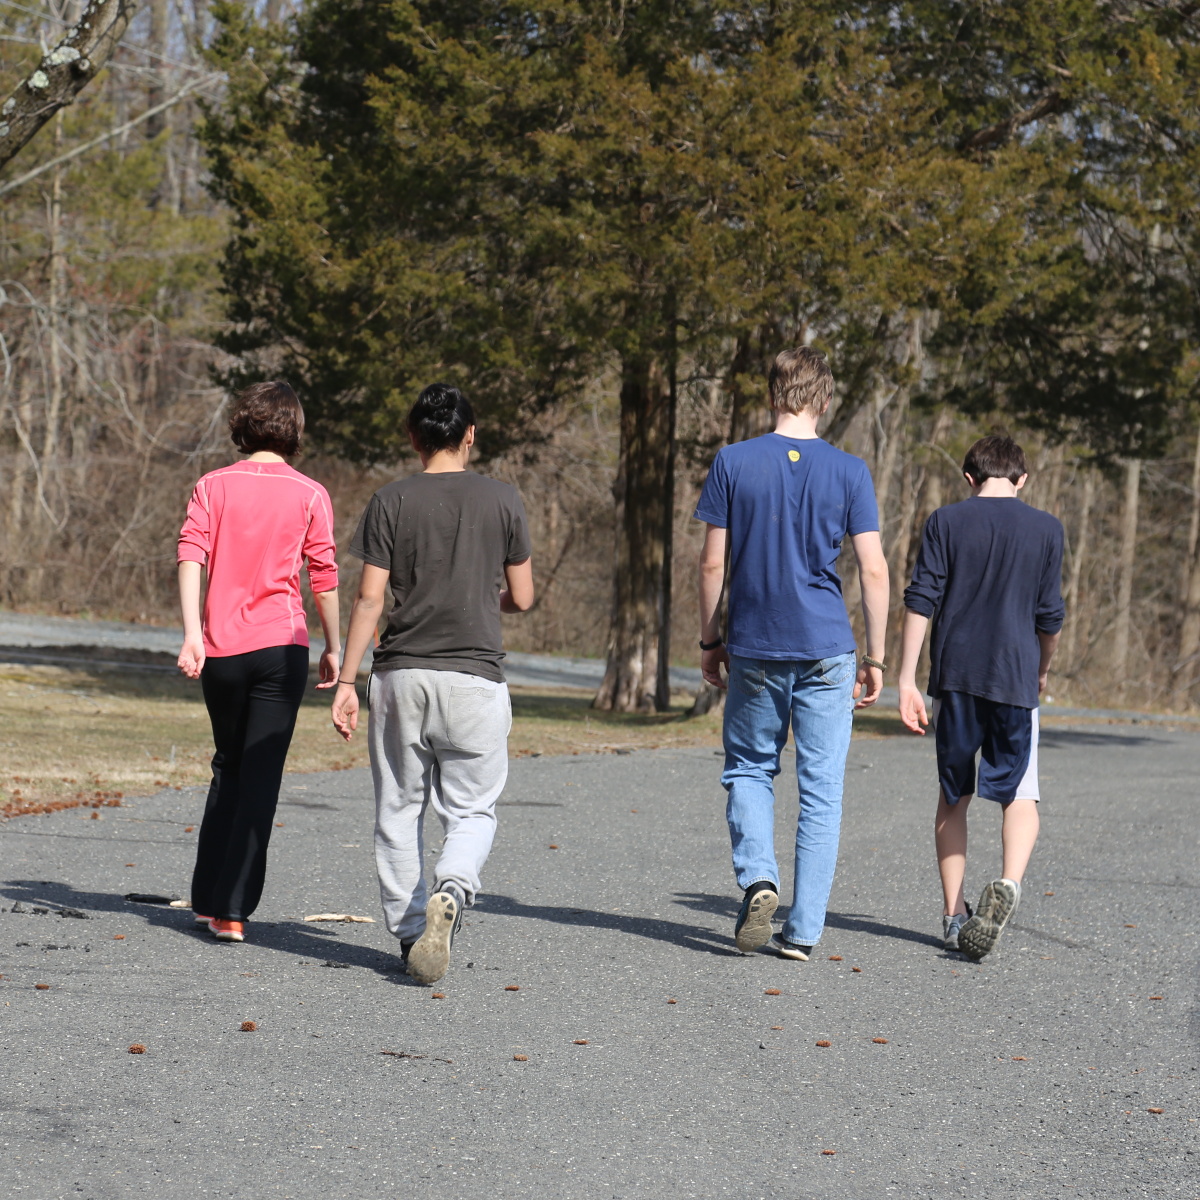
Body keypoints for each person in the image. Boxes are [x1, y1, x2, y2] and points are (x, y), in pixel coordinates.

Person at [331, 384, 533, 985]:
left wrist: (346, 679)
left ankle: (411, 933)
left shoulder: (390, 500)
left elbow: (370, 598)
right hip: (475, 678)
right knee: (472, 809)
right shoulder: (503, 499)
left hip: (402, 675)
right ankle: (453, 885)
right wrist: (485, 599)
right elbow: (523, 596)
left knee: (399, 808)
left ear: (413, 438)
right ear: (469, 434)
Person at [695, 346, 890, 960]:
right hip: (829, 647)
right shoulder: (850, 470)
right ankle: (803, 932)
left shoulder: (733, 461)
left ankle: (759, 877)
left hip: (756, 643)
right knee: (821, 790)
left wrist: (710, 639)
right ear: (824, 400)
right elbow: (874, 570)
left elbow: (711, 564)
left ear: (772, 395)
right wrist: (877, 658)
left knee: (751, 768)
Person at [177, 381, 340, 944]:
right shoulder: (311, 493)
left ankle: (206, 898)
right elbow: (324, 575)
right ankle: (232, 910)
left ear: (243, 426)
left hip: (221, 648)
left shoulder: (212, 485)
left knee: (227, 766)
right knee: (260, 774)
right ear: (295, 430)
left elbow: (191, 554)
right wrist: (334, 645)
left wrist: (192, 634)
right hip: (281, 646)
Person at [897, 434, 1064, 960]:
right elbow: (1050, 617)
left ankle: (954, 916)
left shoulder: (945, 521)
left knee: (953, 797)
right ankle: (1008, 883)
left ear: (969, 478)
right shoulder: (1047, 529)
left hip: (956, 677)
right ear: (1022, 479)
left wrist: (906, 677)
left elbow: (921, 599)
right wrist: (1041, 670)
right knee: (1021, 794)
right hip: (1014, 676)